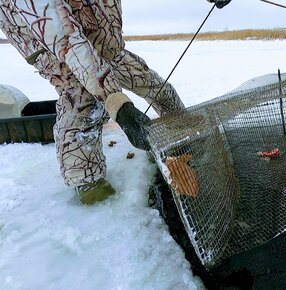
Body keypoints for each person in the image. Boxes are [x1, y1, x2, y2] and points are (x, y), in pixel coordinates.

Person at [0, 0, 231, 204]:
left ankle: (176, 139)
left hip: (107, 44)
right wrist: (118, 105)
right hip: (58, 50)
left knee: (155, 86)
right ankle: (88, 181)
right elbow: (66, 38)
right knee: (83, 101)